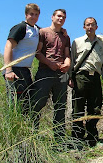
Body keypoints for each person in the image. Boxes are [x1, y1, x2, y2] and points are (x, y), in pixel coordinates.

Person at [70, 17, 103, 146]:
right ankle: (77, 137)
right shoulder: (77, 42)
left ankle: (92, 137)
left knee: (95, 108)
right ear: (84, 27)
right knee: (78, 108)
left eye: (92, 25)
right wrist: (70, 78)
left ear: (97, 27)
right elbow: (72, 61)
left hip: (95, 78)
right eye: (87, 25)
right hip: (80, 77)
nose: (90, 27)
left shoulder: (101, 44)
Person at [32, 9, 71, 139]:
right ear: (52, 17)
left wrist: (67, 63)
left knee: (60, 106)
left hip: (61, 74)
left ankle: (59, 139)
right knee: (38, 104)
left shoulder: (65, 36)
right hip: (45, 72)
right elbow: (38, 53)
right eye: (59, 16)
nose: (61, 19)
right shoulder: (43, 32)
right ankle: (32, 136)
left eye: (63, 17)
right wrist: (50, 64)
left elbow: (67, 55)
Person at [3, 3, 40, 114]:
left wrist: (62, 31)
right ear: (25, 15)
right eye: (31, 14)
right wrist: (8, 70)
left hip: (25, 71)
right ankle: (11, 129)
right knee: (14, 104)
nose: (33, 17)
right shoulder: (21, 27)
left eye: (36, 14)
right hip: (15, 69)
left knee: (26, 104)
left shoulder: (36, 29)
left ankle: (23, 129)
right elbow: (8, 46)